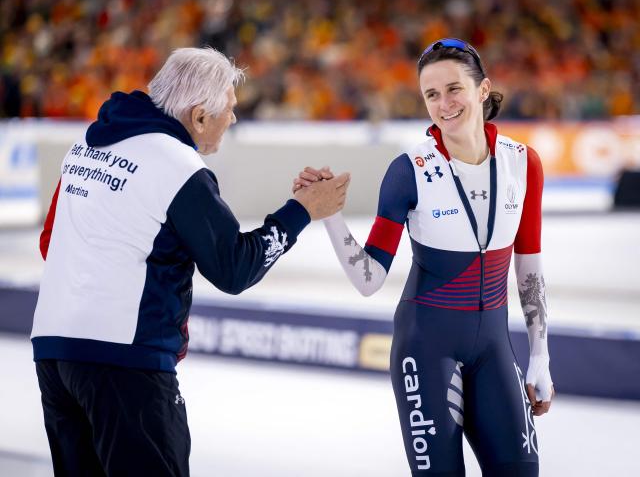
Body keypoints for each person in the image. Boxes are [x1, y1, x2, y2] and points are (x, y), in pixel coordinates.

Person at [32, 46, 350, 477]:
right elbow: (234, 269)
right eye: (230, 111)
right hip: (125, 364)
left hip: (53, 353)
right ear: (199, 116)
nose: (233, 120)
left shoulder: (88, 145)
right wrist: (302, 211)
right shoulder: (177, 164)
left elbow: (52, 241)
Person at [295, 38, 553, 476]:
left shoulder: (523, 163)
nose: (444, 104)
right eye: (431, 94)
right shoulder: (409, 170)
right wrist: (332, 216)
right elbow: (369, 279)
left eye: (454, 89)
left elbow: (528, 264)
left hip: (494, 346)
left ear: (483, 90)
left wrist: (541, 356)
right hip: (426, 348)